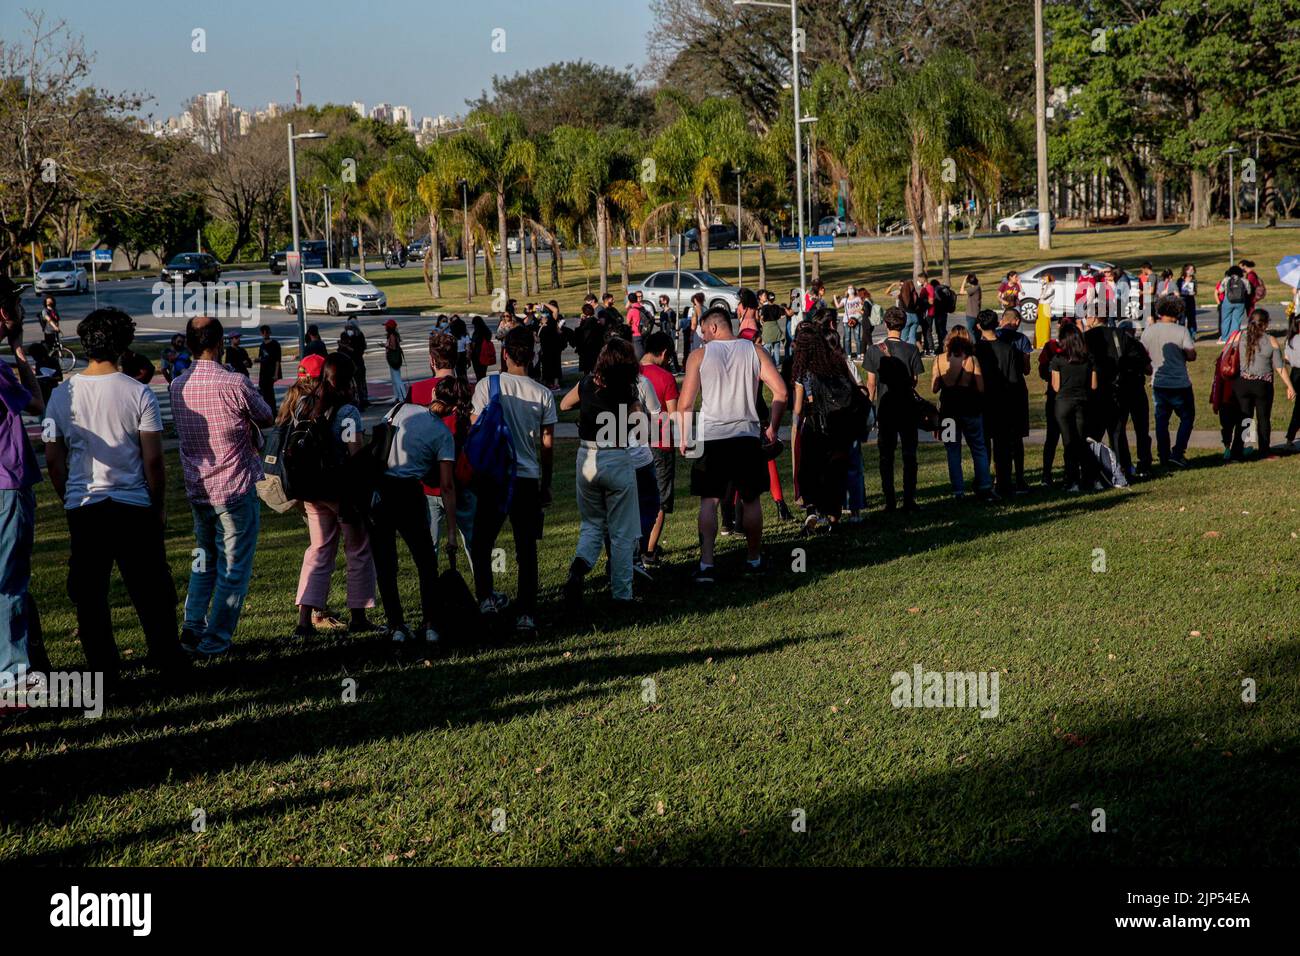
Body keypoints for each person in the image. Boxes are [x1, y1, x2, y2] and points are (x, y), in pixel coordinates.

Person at [43, 308, 189, 687]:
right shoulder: (139, 393)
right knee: (152, 591)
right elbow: (153, 461)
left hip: (85, 504)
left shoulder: (61, 395)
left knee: (91, 597)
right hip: (132, 504)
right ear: (124, 345)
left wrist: (69, 499)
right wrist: (157, 507)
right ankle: (168, 662)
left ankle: (103, 673)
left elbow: (54, 461)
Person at [170, 316, 274, 657]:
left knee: (203, 560)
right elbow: (267, 416)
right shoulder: (234, 384)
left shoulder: (177, 386)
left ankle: (192, 626)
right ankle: (215, 640)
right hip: (234, 488)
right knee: (233, 568)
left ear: (188, 345)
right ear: (218, 345)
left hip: (199, 489)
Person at [676, 306, 787, 584]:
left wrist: (683, 437)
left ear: (713, 327)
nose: (702, 337)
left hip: (712, 436)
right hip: (746, 435)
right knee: (750, 499)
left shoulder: (699, 356)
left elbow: (686, 403)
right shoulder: (754, 351)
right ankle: (753, 558)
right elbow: (781, 391)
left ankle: (707, 564)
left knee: (709, 501)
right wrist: (772, 426)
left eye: (703, 332)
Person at [469, 326, 557, 635]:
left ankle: (487, 599)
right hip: (526, 478)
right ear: (532, 357)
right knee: (526, 548)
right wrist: (546, 483)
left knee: (482, 541)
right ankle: (526, 613)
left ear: (505, 354)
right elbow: (547, 445)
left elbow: (475, 430)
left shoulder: (487, 385)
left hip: (493, 476)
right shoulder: (543, 393)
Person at [292, 353, 378, 637]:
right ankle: (358, 614)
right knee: (358, 549)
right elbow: (355, 453)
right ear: (347, 379)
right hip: (342, 490)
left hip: (311, 488)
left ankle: (304, 618)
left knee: (318, 550)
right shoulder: (348, 412)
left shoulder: (305, 404)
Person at [371, 380, 458, 643]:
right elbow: (446, 485)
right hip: (409, 493)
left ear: (433, 394)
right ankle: (430, 623)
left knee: (386, 563)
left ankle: (396, 625)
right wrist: (452, 531)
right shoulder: (443, 435)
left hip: (381, 489)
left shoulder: (399, 409)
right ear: (453, 408)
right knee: (425, 561)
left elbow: (377, 442)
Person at [560, 338, 643, 603]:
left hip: (587, 456)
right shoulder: (629, 392)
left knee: (592, 525)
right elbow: (640, 428)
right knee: (621, 534)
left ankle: (578, 570)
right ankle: (622, 594)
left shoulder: (586, 383)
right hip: (617, 457)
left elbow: (564, 405)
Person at [0, 278, 46, 694]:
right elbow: (37, 403)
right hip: (6, 484)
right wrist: (18, 350)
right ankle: (13, 679)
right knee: (9, 582)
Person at [409, 331, 475, 564]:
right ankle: (485, 594)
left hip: (427, 480)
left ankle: (432, 597)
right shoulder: (468, 389)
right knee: (474, 545)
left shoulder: (416, 390)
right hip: (462, 475)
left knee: (429, 549)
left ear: (432, 360)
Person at [791, 321, 861, 529]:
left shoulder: (804, 373)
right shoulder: (837, 363)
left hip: (815, 425)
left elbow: (797, 409)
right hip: (839, 424)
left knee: (813, 471)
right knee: (835, 471)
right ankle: (834, 517)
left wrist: (796, 427)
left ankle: (816, 511)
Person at [863, 307, 924, 512]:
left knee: (886, 456)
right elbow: (914, 380)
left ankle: (889, 500)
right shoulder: (912, 350)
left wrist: (869, 407)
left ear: (886, 325)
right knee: (909, 454)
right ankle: (909, 499)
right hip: (907, 406)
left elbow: (871, 384)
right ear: (904, 324)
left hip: (885, 407)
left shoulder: (873, 350)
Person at [932, 326, 994, 501]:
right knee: (978, 448)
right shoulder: (971, 360)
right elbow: (981, 387)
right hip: (970, 409)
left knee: (952, 450)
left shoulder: (939, 360)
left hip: (948, 411)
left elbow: (934, 388)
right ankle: (984, 485)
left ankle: (958, 490)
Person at [975, 309, 1030, 495]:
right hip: (1005, 400)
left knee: (984, 445)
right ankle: (1004, 483)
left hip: (983, 401)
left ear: (978, 326)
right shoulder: (1008, 349)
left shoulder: (976, 349)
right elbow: (1014, 378)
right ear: (997, 323)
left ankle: (984, 482)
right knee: (1003, 446)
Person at [1141, 294, 1197, 468]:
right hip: (1180, 382)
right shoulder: (1181, 331)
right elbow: (1191, 354)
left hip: (1159, 382)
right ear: (1178, 312)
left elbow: (1142, 354)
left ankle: (1163, 454)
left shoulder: (1149, 330)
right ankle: (1178, 452)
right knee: (1187, 417)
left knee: (1161, 421)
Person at [639, 332, 679, 567]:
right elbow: (673, 416)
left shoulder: (630, 372)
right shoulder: (665, 377)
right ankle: (650, 551)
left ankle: (638, 546)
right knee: (660, 500)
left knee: (637, 496)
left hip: (633, 442)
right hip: (660, 442)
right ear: (664, 352)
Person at [1233, 308, 1292, 460]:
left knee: (1244, 418)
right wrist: (1290, 386)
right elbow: (1279, 367)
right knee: (1263, 418)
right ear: (1265, 324)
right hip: (1262, 385)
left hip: (1242, 383)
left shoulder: (1240, 336)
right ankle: (1264, 451)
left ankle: (1238, 451)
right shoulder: (1270, 340)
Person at [1049, 323, 1102, 491]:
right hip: (1082, 401)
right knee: (1082, 441)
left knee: (1068, 442)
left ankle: (1072, 480)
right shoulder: (1089, 358)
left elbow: (1055, 387)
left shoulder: (1058, 360)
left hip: (1063, 403)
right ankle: (1091, 477)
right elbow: (1094, 386)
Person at [1217, 265, 1250, 343]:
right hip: (1240, 302)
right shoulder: (1244, 280)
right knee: (1236, 320)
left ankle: (1225, 338)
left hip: (1228, 301)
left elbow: (1220, 291)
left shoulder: (1226, 279)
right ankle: (1234, 338)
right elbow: (1249, 291)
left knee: (1225, 320)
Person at [538, 303, 568, 389]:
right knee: (546, 366)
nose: (543, 316)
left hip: (553, 347)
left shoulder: (552, 320)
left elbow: (555, 310)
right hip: (544, 347)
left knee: (555, 365)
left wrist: (544, 303)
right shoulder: (541, 322)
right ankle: (549, 383)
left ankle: (556, 384)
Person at [835, 285, 865, 359]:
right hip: (846, 320)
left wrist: (857, 309)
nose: (850, 289)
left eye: (851, 288)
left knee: (857, 338)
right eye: (849, 288)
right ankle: (848, 354)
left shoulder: (857, 298)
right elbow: (838, 306)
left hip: (856, 320)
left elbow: (863, 305)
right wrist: (834, 298)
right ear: (847, 290)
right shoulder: (845, 300)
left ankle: (858, 354)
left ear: (854, 290)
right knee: (847, 338)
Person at [889, 277, 921, 347]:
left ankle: (903, 353)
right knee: (912, 337)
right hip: (915, 316)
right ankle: (912, 351)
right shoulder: (914, 294)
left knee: (903, 337)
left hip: (906, 316)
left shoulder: (902, 295)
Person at [256, 324, 282, 408]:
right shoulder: (262, 345)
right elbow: (261, 357)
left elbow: (277, 360)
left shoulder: (275, 344)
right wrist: (257, 359)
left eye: (264, 332)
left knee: (269, 394)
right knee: (263, 392)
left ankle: (272, 410)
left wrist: (276, 374)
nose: (264, 334)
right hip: (263, 372)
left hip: (270, 372)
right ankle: (267, 408)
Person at [1284, 312, 1300, 449]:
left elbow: (1287, 359)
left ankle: (1290, 438)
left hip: (1295, 373)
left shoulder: (1290, 339)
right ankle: (1290, 437)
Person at [383, 318, 406, 401]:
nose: (385, 328)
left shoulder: (392, 335)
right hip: (394, 359)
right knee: (394, 379)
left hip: (394, 359)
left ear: (389, 327)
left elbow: (393, 347)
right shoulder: (393, 334)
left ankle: (402, 397)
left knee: (397, 379)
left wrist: (385, 346)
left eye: (386, 326)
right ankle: (397, 396)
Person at [1178, 264, 1198, 340]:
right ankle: (1180, 336)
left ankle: (1192, 336)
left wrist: (1194, 293)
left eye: (1193, 269)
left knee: (1192, 319)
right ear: (1186, 270)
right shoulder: (1180, 280)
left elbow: (1195, 291)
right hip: (1183, 301)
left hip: (1191, 301)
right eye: (1190, 269)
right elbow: (1178, 291)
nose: (1192, 271)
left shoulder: (1194, 280)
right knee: (1182, 319)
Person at [1035, 273, 1055, 347]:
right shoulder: (1044, 285)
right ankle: (1038, 343)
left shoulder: (1051, 286)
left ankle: (1045, 343)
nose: (1043, 279)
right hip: (1041, 306)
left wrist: (1044, 287)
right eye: (1043, 278)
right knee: (1039, 325)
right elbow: (1040, 298)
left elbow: (1044, 296)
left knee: (1046, 325)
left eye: (1045, 278)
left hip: (1046, 306)